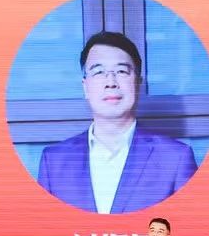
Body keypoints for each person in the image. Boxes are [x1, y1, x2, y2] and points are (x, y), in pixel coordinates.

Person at [36, 31, 199, 214]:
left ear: (138, 83)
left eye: (121, 71)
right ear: (85, 87)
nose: (111, 82)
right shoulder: (54, 161)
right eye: (99, 72)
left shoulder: (175, 158)